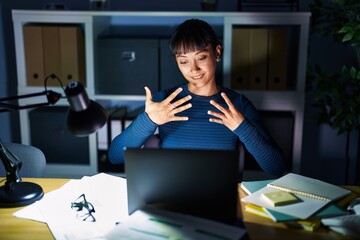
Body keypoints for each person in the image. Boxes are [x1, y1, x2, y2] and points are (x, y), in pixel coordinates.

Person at [108, 19, 286, 177]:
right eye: (184, 61)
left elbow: (277, 168)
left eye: (201, 58)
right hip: (170, 197)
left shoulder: (237, 104)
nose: (193, 69)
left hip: (219, 201)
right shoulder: (164, 102)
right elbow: (114, 156)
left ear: (217, 52)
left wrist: (242, 128)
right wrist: (148, 120)